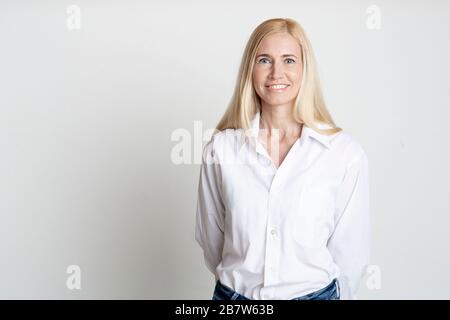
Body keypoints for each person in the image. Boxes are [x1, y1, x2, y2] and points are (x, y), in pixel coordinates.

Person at [195, 17, 370, 300]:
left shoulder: (344, 154)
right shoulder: (221, 150)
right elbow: (211, 240)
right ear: (250, 70)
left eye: (289, 60)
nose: (276, 73)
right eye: (264, 60)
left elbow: (351, 254)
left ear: (304, 69)